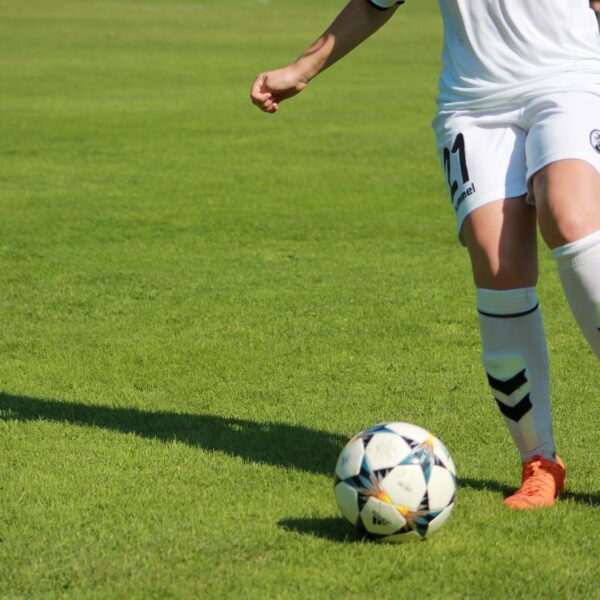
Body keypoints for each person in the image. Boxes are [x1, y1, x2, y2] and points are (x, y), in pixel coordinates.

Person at [250, 0, 600, 509]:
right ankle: (539, 463)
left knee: (568, 215)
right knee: (496, 262)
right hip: (474, 100)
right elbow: (376, 2)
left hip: (571, 76)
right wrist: (300, 70)